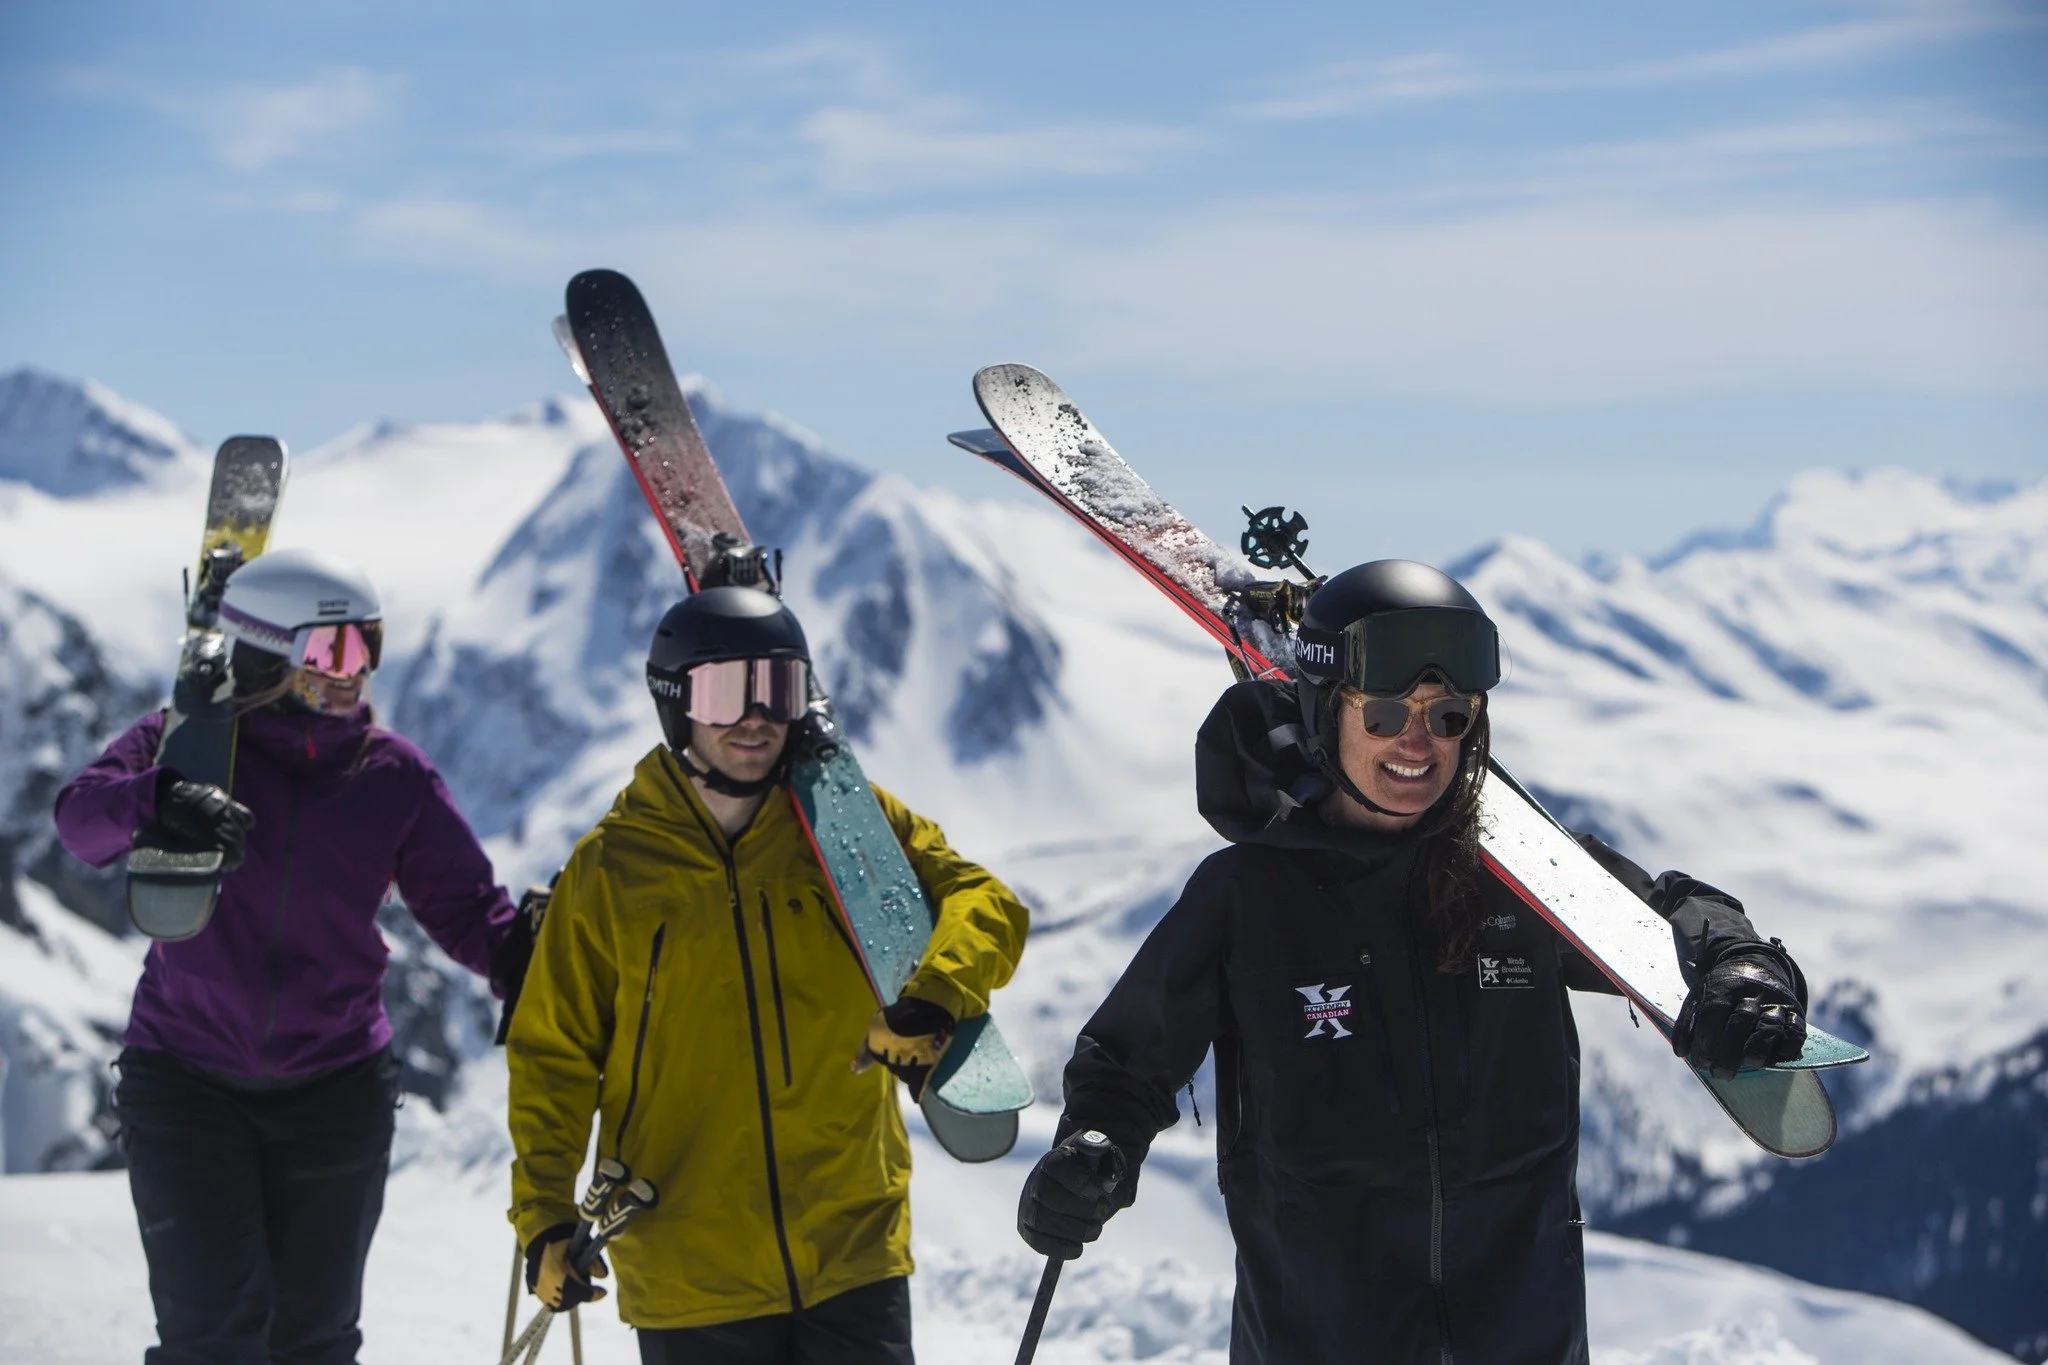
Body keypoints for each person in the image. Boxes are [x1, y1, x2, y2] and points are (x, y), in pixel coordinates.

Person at [1015, 560, 1809, 1365]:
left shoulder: (1523, 878)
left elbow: (1671, 912)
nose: (1419, 744)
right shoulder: (1248, 897)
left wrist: (1741, 964)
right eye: (1386, 713)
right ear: (1326, 711)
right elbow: (1126, 1066)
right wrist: (1093, 1152)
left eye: (1449, 715)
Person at [506, 585, 1029, 1364]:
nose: (755, 718)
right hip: (689, 1265)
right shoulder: (611, 869)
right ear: (677, 702)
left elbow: (983, 899)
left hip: (852, 1245)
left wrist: (935, 994)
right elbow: (554, 1055)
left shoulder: (846, 824)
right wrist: (544, 1218)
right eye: (726, 692)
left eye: (778, 689)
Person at [53, 547, 522, 1365]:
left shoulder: (391, 773)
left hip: (336, 1088)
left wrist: (531, 958)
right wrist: (160, 798)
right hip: (186, 1082)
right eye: (334, 649)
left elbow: (465, 907)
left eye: (368, 645)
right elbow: (78, 822)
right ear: (269, 650)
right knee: (212, 1342)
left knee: (314, 1344)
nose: (356, 671)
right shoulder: (185, 744)